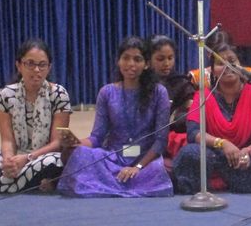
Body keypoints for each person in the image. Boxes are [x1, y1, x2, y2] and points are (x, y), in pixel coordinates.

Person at [58, 37, 173, 197]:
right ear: (118, 61)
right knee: (79, 154)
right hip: (113, 158)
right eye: (126, 58)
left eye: (137, 59)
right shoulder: (107, 92)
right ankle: (120, 182)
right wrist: (77, 143)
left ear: (146, 64)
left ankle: (114, 183)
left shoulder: (159, 92)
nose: (131, 64)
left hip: (145, 161)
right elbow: (97, 137)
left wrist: (137, 167)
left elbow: (160, 141)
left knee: (159, 170)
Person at [173, 40, 251, 194]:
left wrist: (248, 151)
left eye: (232, 61)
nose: (227, 66)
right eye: (220, 63)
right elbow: (193, 133)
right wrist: (222, 143)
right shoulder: (203, 96)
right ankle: (236, 182)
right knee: (191, 154)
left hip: (245, 156)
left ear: (240, 66)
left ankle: (217, 182)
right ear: (212, 70)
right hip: (214, 154)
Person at [0, 39, 71, 194]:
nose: (36, 70)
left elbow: (57, 143)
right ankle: (24, 183)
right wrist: (8, 161)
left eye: (42, 65)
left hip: (42, 157)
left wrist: (27, 158)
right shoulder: (6, 95)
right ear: (19, 65)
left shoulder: (59, 94)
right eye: (30, 63)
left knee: (54, 162)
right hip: (16, 157)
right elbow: (7, 140)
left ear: (49, 68)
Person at [148, 35, 195, 168]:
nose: (167, 63)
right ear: (148, 60)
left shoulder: (182, 84)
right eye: (160, 59)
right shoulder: (141, 83)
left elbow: (190, 115)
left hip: (170, 139)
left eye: (170, 58)